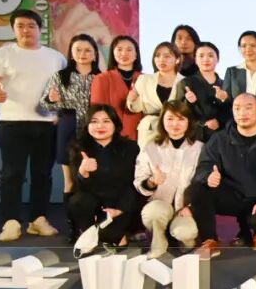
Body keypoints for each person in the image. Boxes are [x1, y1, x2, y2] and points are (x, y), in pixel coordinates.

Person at [0, 9, 67, 241]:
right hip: (12, 122)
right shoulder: (2, 54)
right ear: (13, 29)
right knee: (12, 174)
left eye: (31, 26)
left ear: (40, 29)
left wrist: (59, 111)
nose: (26, 30)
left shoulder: (56, 58)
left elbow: (63, 92)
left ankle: (38, 219)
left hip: (46, 123)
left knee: (43, 174)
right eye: (20, 26)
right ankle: (11, 222)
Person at [188, 93, 256, 256]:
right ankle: (210, 240)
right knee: (197, 189)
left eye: (248, 108)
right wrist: (208, 176)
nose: (242, 113)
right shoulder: (219, 139)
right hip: (231, 196)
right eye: (237, 109)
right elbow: (204, 166)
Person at [40, 33, 100, 227]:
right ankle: (73, 225)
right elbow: (45, 104)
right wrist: (51, 99)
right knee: (70, 181)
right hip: (67, 129)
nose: (83, 54)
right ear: (71, 54)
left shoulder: (101, 77)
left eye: (88, 50)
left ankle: (93, 223)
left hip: (95, 130)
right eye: (78, 50)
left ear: (95, 54)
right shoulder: (60, 76)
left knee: (94, 179)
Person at [134, 101, 203, 258]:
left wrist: (191, 207)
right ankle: (158, 244)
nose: (175, 124)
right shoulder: (151, 147)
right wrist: (152, 182)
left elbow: (203, 185)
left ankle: (187, 243)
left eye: (181, 119)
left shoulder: (199, 148)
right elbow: (139, 180)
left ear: (189, 122)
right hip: (160, 205)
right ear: (162, 121)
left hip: (186, 208)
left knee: (185, 232)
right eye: (170, 119)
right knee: (153, 212)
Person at [67, 104, 140, 251]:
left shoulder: (130, 147)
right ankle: (86, 234)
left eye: (106, 121)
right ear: (87, 125)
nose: (100, 126)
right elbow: (79, 189)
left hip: (119, 204)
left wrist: (119, 209)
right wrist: (83, 172)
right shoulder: (78, 147)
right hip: (93, 205)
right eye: (94, 121)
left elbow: (132, 185)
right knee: (78, 200)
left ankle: (112, 232)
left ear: (115, 124)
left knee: (113, 239)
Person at [128, 41, 184, 149]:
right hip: (149, 129)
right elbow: (135, 108)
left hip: (175, 129)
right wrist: (131, 100)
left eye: (167, 56)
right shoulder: (144, 79)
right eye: (157, 56)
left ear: (177, 59)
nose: (161, 59)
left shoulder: (184, 82)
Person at [91, 35, 143, 140]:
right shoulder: (101, 79)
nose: (124, 53)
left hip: (141, 136)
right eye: (119, 49)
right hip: (112, 137)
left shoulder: (145, 79)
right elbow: (97, 112)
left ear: (136, 54)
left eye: (129, 50)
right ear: (113, 53)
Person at [178, 42, 231, 142]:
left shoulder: (226, 84)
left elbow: (232, 112)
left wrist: (219, 120)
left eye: (210, 55)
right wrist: (189, 102)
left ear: (218, 59)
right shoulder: (186, 83)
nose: (206, 59)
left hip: (222, 138)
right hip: (195, 138)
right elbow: (178, 113)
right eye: (201, 56)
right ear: (195, 60)